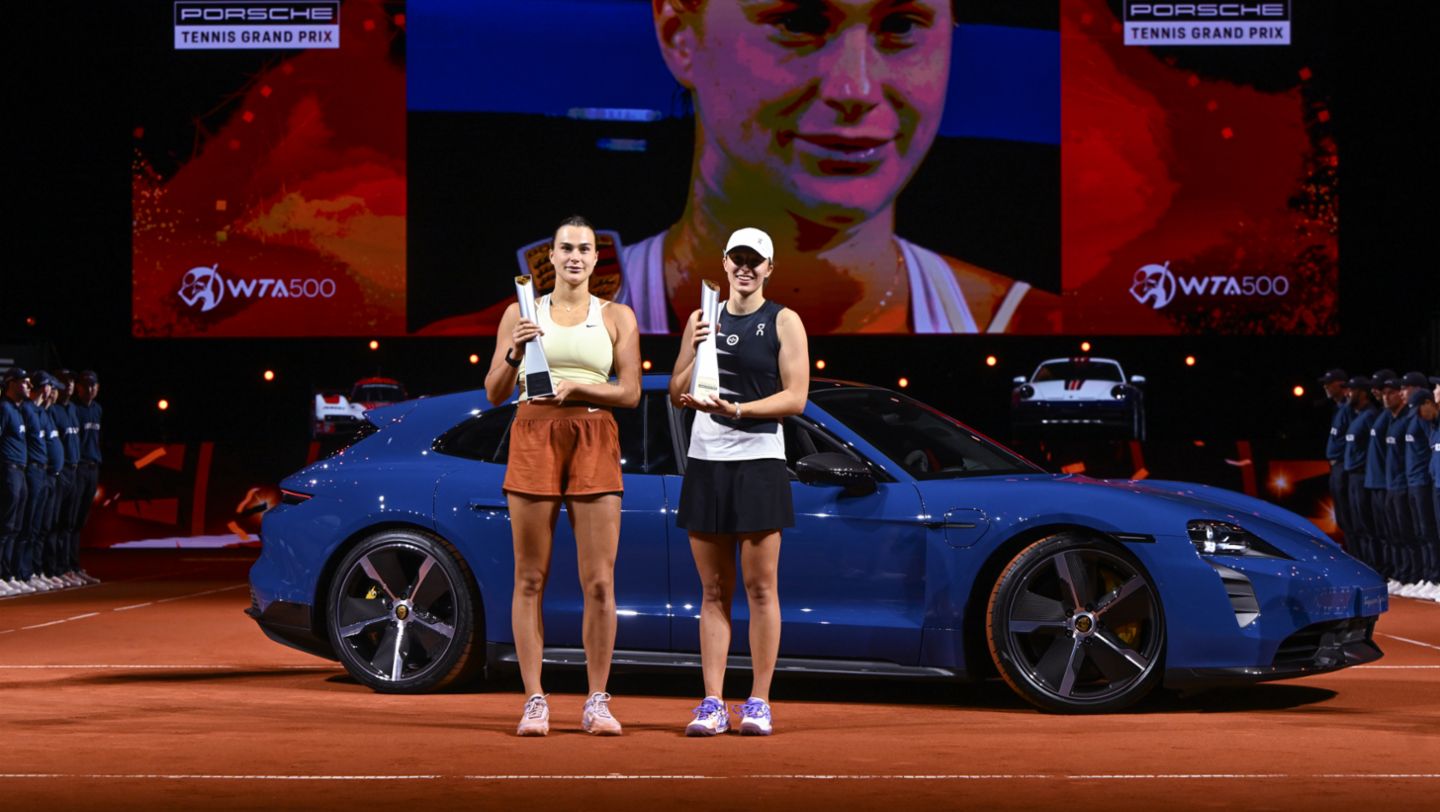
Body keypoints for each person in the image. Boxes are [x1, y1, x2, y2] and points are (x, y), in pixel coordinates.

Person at [484, 216, 641, 736]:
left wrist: (579, 389)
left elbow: (630, 393)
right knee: (530, 578)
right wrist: (513, 350)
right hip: (533, 433)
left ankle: (597, 699)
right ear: (549, 257)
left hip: (595, 435)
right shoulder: (520, 313)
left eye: (585, 249)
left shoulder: (617, 316)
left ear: (597, 260)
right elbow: (493, 392)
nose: (575, 256)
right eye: (565, 248)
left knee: (599, 581)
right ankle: (534, 699)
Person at [669, 227, 810, 735]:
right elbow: (676, 391)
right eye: (737, 259)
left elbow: (795, 398)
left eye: (756, 261)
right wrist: (694, 349)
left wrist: (741, 409)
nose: (745, 268)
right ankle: (711, 702)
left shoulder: (784, 321)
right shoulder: (702, 317)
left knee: (760, 588)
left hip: (759, 461)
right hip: (706, 460)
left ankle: (759, 701)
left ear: (769, 268)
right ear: (726, 263)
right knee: (711, 590)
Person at [19, 373, 55, 591]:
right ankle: (17, 572)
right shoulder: (22, 409)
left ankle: (30, 571)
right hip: (29, 471)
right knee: (22, 525)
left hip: (44, 472)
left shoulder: (41, 412)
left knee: (38, 525)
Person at [1400, 388, 1437, 598]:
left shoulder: (1429, 424)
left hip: (1425, 482)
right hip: (1416, 482)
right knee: (1420, 532)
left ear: (1427, 403)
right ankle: (1428, 576)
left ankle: (1434, 577)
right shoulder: (1427, 422)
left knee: (1430, 532)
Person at [1341, 376, 1380, 570]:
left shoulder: (1370, 416)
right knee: (1357, 525)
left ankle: (1376, 565)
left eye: (1352, 389)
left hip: (1363, 476)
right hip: (1353, 476)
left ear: (1363, 392)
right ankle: (1363, 565)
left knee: (1367, 524)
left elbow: (1374, 448)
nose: (1348, 393)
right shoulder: (1355, 416)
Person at [1, 369, 32, 596]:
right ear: (11, 384)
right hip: (9, 469)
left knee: (15, 525)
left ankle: (8, 574)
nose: (28, 385)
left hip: (20, 470)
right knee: (6, 524)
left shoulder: (18, 410)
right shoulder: (3, 408)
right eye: (23, 382)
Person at [70, 370, 103, 581]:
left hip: (93, 466)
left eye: (93, 385)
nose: (90, 389)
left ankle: (74, 565)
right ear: (78, 388)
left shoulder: (98, 409)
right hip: (78, 467)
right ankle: (66, 566)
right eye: (86, 386)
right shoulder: (73, 409)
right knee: (70, 520)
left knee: (81, 520)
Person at [1319, 369, 1353, 546]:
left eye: (1329, 383)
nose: (1325, 386)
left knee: (1350, 516)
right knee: (1341, 517)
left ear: (1341, 384)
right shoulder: (1338, 408)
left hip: (1343, 466)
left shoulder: (1348, 408)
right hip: (1335, 467)